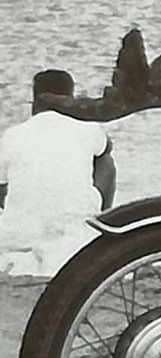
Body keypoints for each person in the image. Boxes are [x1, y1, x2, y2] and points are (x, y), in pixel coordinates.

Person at [0, 71, 115, 276]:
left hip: (17, 234)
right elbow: (107, 148)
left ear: (34, 101)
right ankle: (102, 221)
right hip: (74, 235)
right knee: (105, 158)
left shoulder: (12, 135)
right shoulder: (87, 127)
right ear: (70, 98)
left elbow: (1, 190)